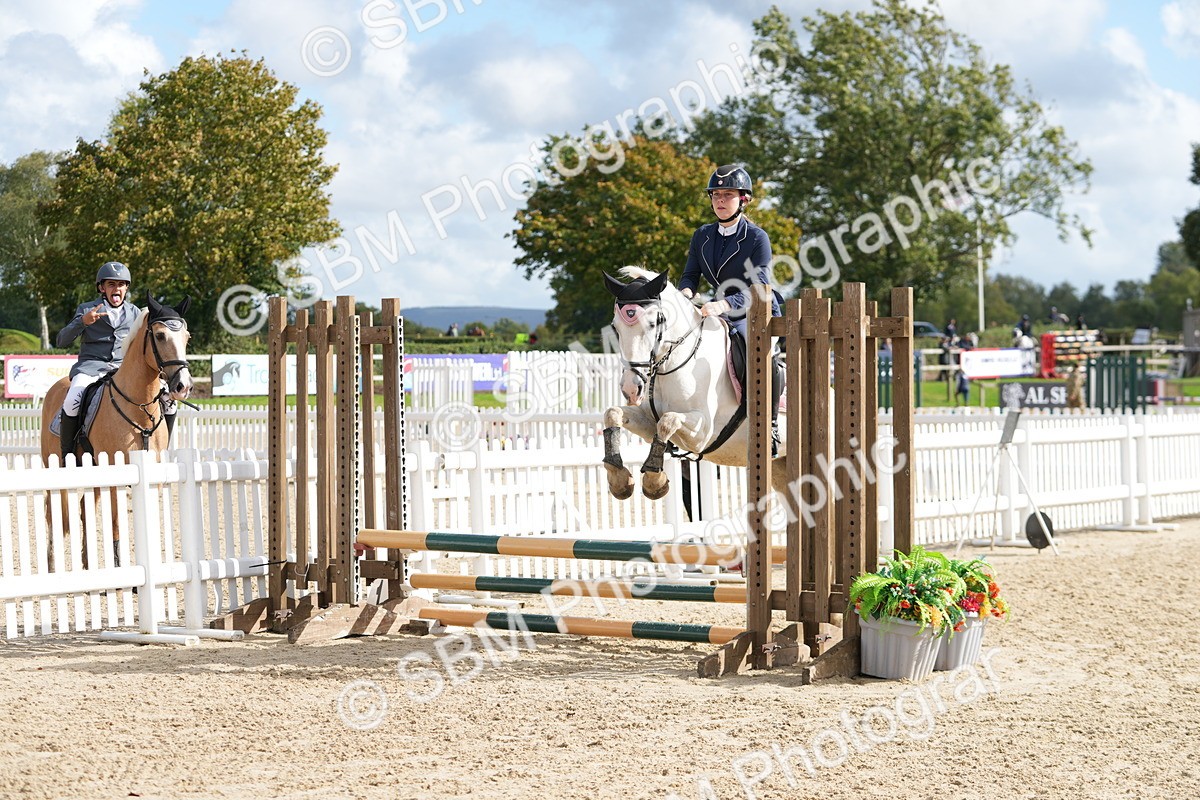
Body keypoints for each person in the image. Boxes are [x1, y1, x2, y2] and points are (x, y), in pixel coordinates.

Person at [678, 164, 780, 338]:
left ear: (744, 200)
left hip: (755, 314)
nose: (720, 200)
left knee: (753, 350)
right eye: (716, 194)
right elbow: (690, 275)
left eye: (728, 194)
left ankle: (775, 364)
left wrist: (725, 304)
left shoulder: (757, 237)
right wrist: (685, 293)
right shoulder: (701, 236)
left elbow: (760, 288)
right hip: (718, 310)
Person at [55, 261, 141, 462]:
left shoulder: (135, 312)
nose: (116, 289)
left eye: (121, 285)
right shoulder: (86, 309)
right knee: (72, 400)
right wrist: (82, 322)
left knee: (164, 398)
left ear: (126, 288)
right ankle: (68, 456)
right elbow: (62, 340)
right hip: (91, 367)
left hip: (121, 369)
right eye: (111, 284)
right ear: (102, 288)